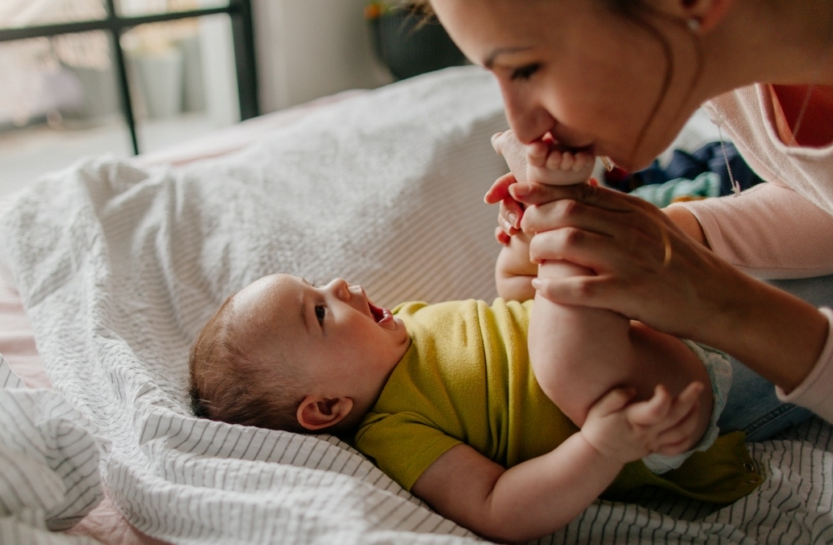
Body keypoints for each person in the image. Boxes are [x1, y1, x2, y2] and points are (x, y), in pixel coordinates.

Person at [188, 144, 761, 542]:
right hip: (645, 407)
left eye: (317, 283)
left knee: (538, 285)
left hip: (659, 326)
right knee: (563, 357)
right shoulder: (395, 432)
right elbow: (499, 508)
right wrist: (601, 448)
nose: (336, 285)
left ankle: (560, 228)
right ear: (327, 408)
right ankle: (567, 207)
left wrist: (518, 250)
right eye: (319, 310)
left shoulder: (408, 323)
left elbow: (510, 311)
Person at [424, 0, 833, 430]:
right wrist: (671, 237)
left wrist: (722, 304)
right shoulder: (734, 66)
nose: (523, 127)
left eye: (526, 69)